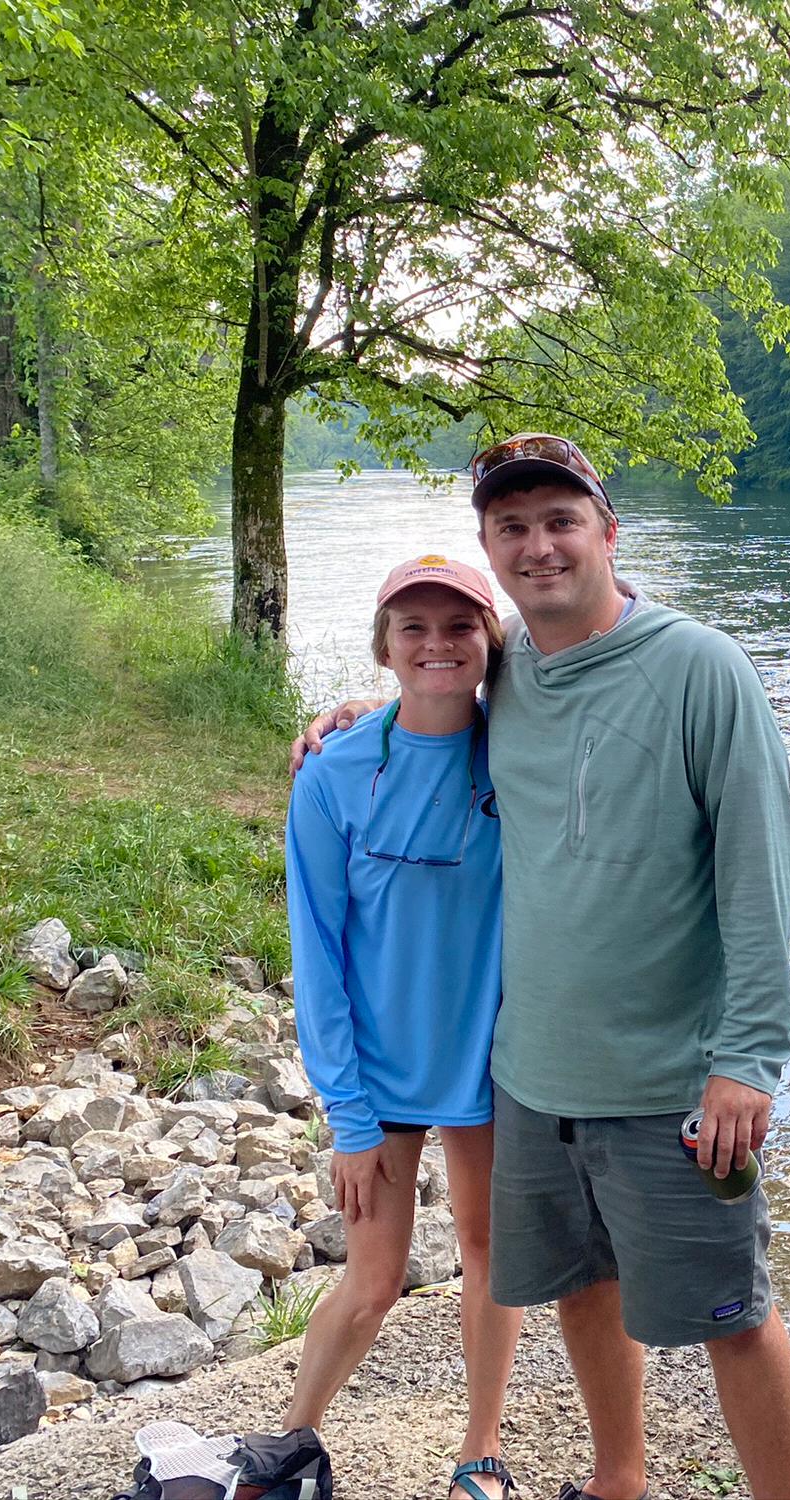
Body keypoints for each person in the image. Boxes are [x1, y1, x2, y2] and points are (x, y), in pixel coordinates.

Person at [294, 435, 790, 1500]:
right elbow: (428, 705)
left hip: (671, 1082)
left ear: (609, 535)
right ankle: (617, 1480)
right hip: (526, 1079)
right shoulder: (508, 677)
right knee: (581, 1289)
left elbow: (761, 877)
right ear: (491, 548)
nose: (539, 546)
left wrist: (746, 1060)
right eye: (512, 528)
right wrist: (348, 718)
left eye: (561, 521)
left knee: (732, 1314)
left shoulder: (699, 669)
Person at [282, 555, 525, 1500]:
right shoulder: (333, 772)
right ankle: (294, 1440)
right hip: (376, 1082)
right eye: (412, 627)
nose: (437, 644)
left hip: (490, 1065)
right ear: (383, 646)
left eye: (459, 626)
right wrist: (346, 1115)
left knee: (489, 1257)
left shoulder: (522, 745)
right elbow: (319, 952)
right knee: (373, 1280)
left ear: (488, 641)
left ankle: (482, 1449)